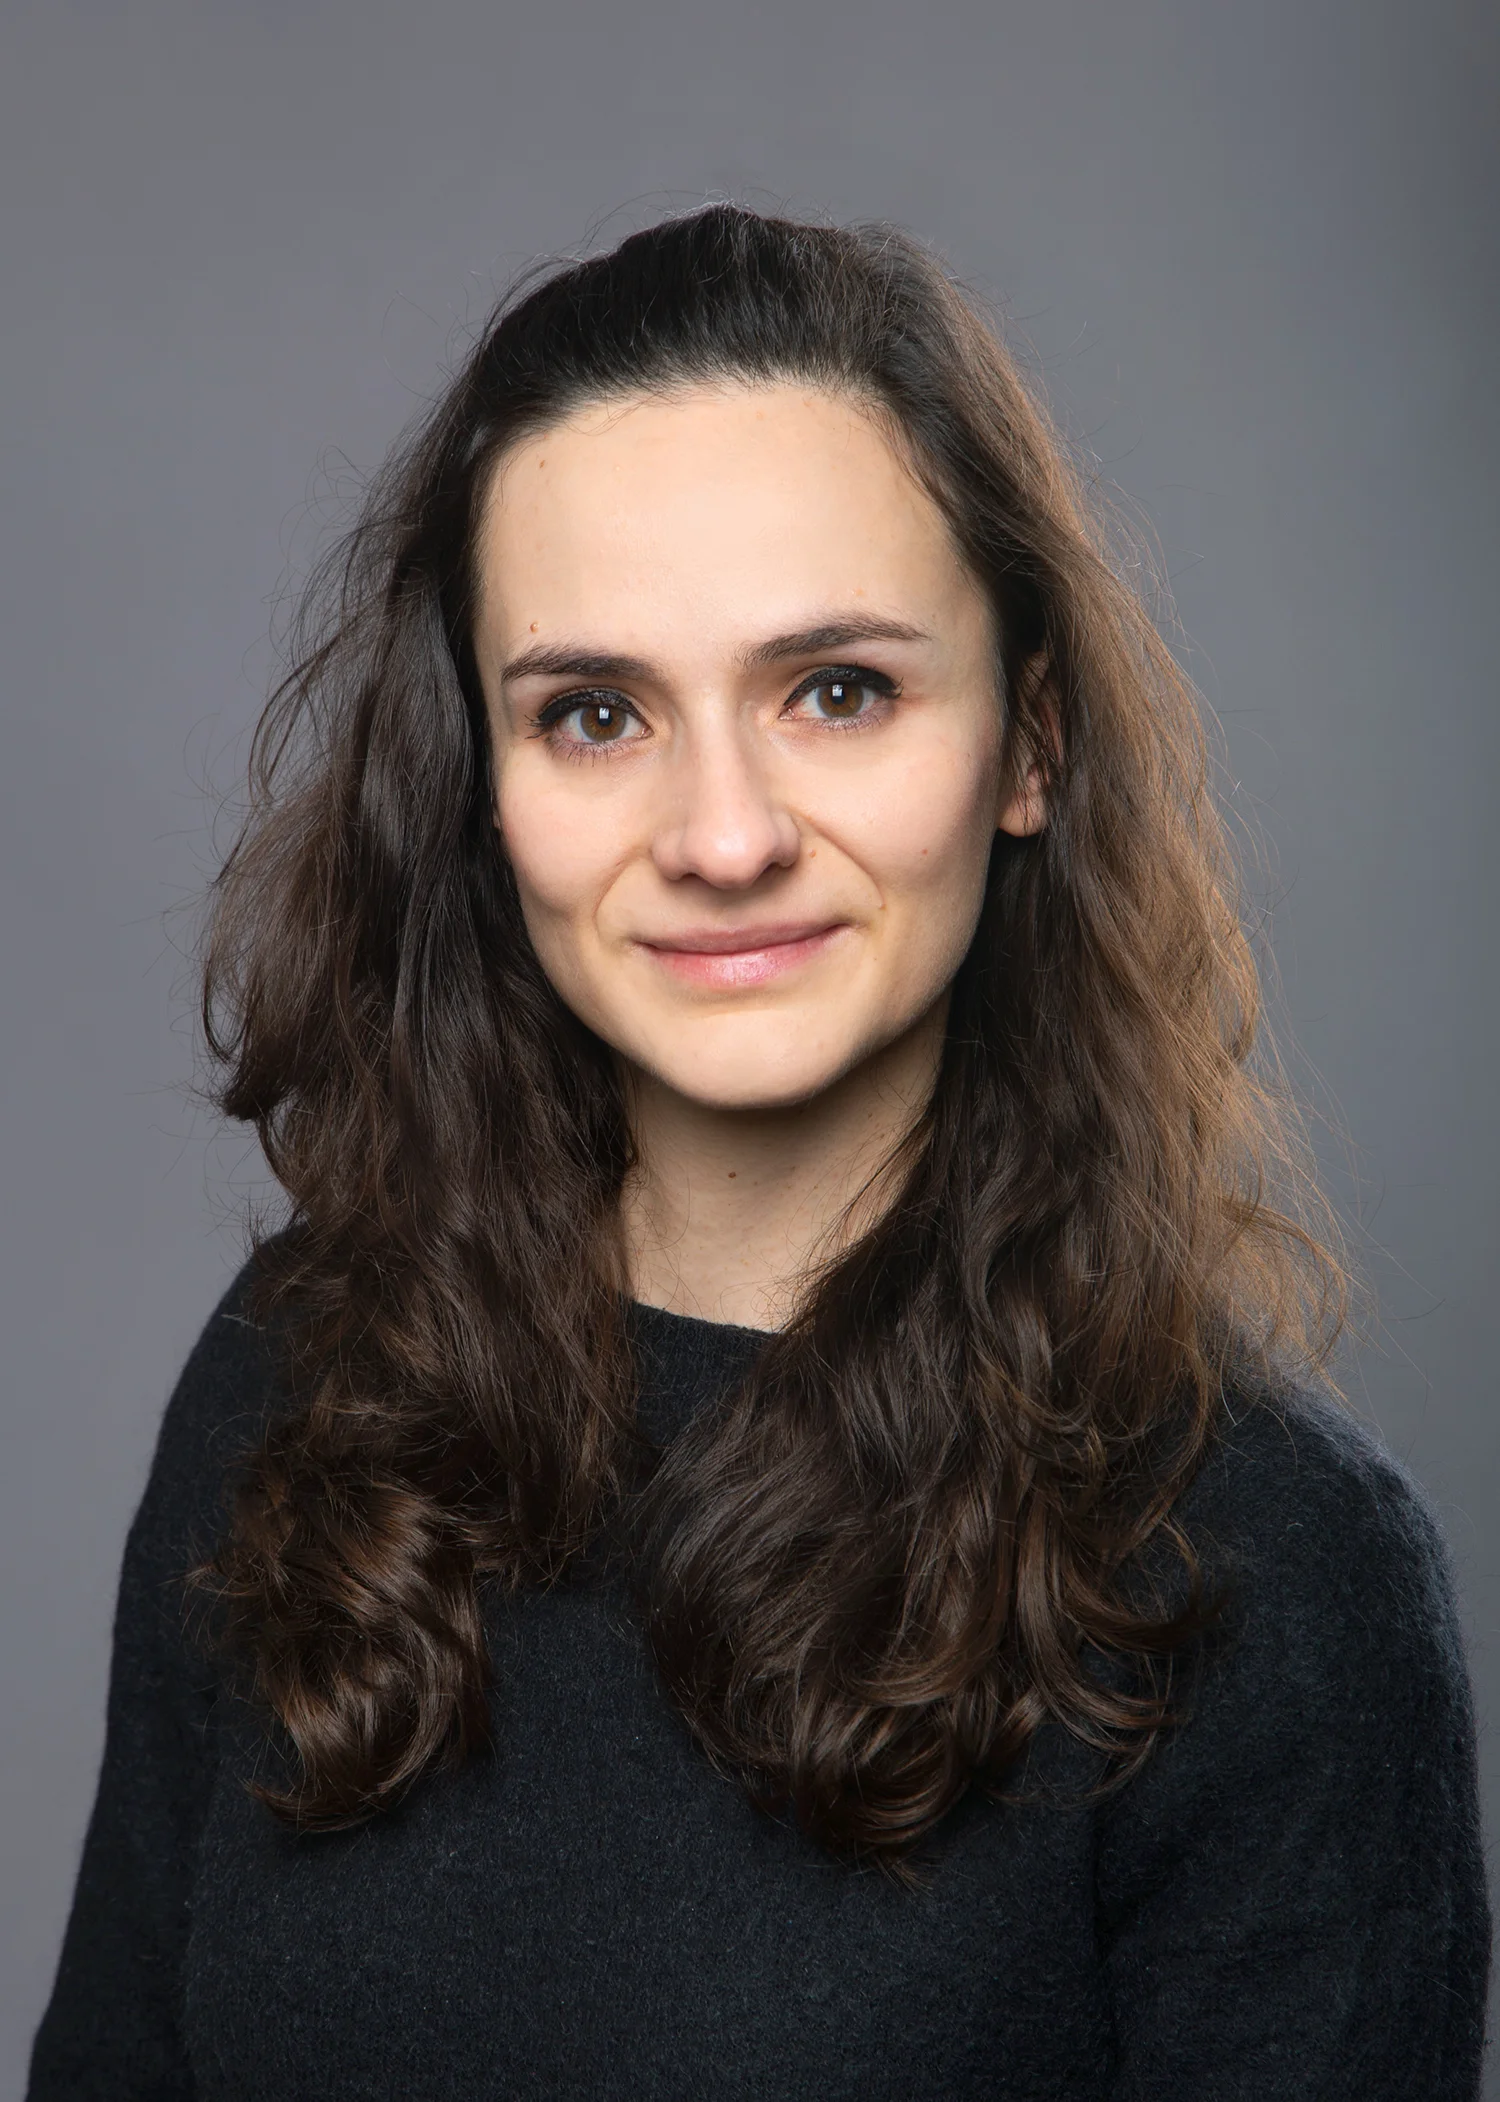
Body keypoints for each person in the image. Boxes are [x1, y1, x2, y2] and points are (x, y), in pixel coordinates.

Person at [29, 204, 1489, 2100]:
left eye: (838, 690)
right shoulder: (293, 1379)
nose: (724, 837)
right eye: (596, 714)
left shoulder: (1275, 1579)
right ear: (483, 790)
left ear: (1030, 743)